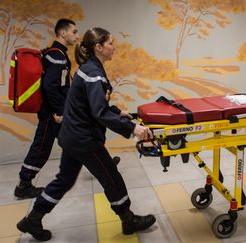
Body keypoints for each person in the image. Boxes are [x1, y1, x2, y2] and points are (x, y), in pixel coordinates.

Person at [16, 27, 156, 241]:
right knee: (111, 177)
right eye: (110, 43)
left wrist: (118, 112)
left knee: (64, 180)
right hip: (84, 140)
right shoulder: (93, 73)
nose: (113, 47)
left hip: (71, 136)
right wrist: (133, 129)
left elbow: (93, 105)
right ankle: (128, 219)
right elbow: (99, 112)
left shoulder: (89, 68)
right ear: (98, 47)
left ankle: (33, 219)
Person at [13, 19, 80, 199]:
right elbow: (50, 86)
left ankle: (101, 165)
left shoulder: (55, 54)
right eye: (74, 31)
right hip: (52, 113)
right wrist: (59, 111)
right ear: (63, 33)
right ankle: (24, 184)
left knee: (76, 141)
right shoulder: (57, 56)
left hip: (56, 111)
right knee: (41, 147)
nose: (77, 35)